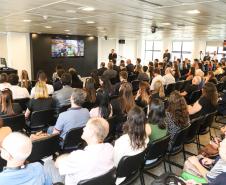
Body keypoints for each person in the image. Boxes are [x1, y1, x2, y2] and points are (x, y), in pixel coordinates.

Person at [45, 117, 114, 185]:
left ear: (92, 132)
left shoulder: (78, 157)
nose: (83, 128)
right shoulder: (110, 148)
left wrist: (67, 156)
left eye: (86, 127)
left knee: (48, 163)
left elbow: (57, 164)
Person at [114, 106, 151, 184]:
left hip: (120, 178)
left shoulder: (121, 141)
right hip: (135, 169)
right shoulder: (146, 137)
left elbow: (115, 164)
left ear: (128, 119)